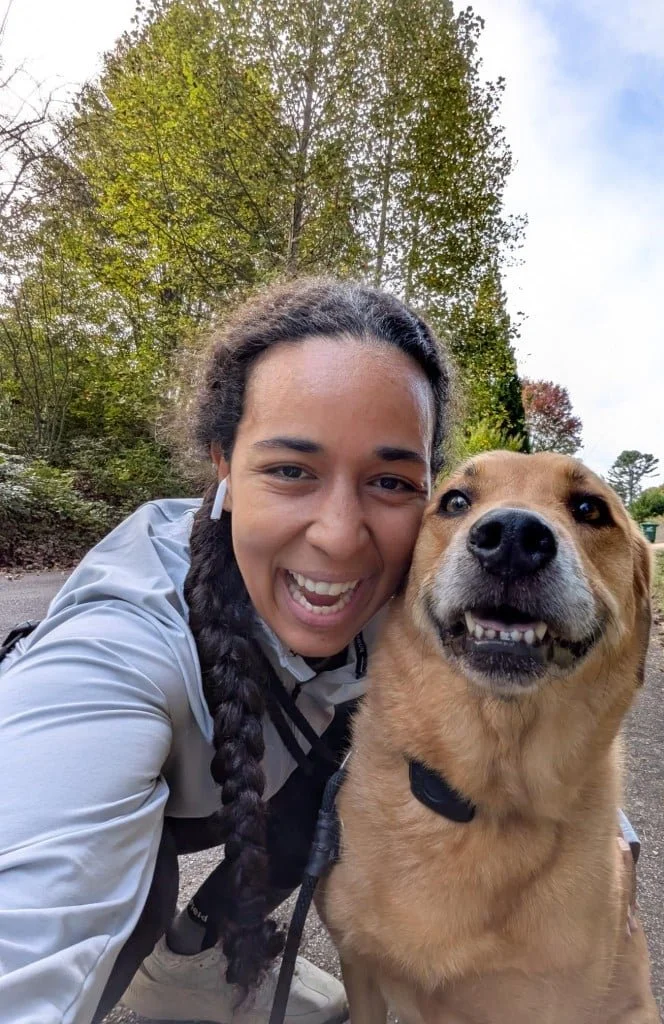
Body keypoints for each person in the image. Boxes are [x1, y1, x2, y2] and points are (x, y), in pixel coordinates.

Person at [0, 277, 453, 1024]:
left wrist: (600, 839)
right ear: (224, 466)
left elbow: (534, 700)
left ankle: (193, 960)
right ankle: (151, 938)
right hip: (154, 805)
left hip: (255, 786)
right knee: (138, 896)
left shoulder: (422, 586)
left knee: (361, 765)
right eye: (290, 471)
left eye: (390, 481)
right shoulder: (120, 642)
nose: (341, 536)